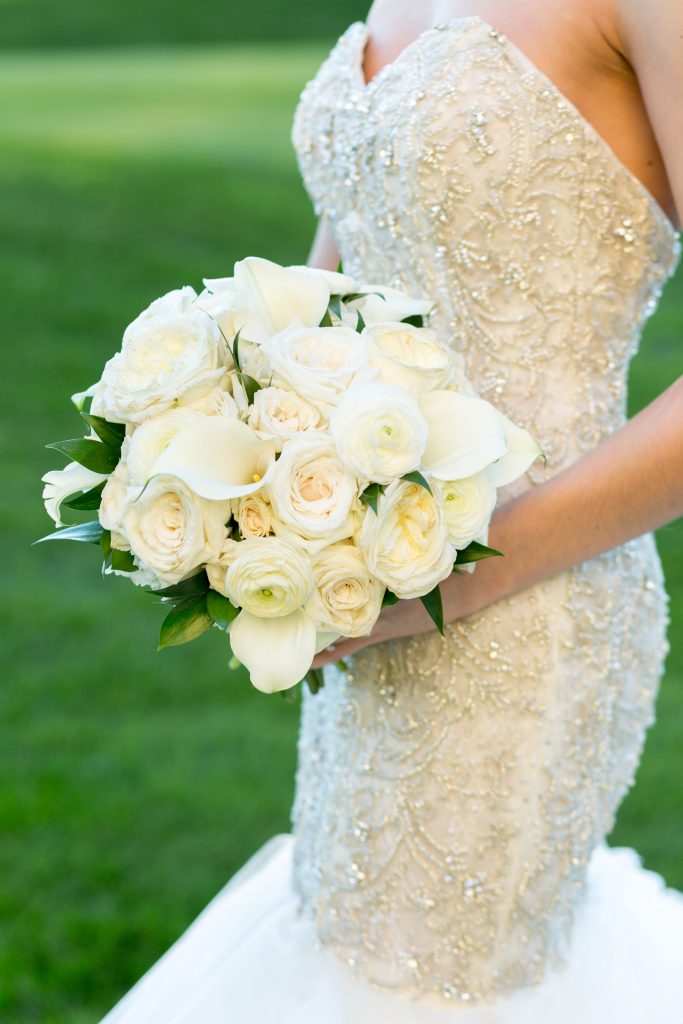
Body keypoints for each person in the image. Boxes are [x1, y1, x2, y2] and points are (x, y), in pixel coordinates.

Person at [101, 1, 683, 1020]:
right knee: (347, 935)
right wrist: (251, 490)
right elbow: (344, 279)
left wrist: (454, 580)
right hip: (362, 577)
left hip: (524, 621)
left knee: (434, 974)